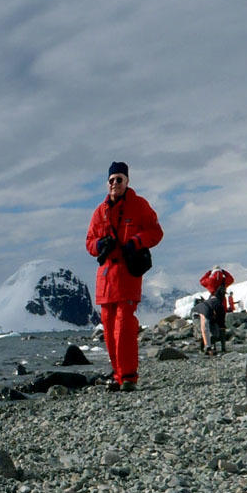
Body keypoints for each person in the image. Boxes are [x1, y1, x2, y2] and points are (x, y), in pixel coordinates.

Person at [85, 161, 163, 391]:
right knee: (108, 329)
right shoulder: (99, 212)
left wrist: (136, 242)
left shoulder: (139, 205)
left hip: (128, 274)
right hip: (106, 277)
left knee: (124, 325)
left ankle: (129, 376)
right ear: (107, 183)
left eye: (119, 179)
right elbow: (89, 242)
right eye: (111, 180)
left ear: (127, 181)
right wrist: (100, 244)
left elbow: (156, 232)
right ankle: (119, 375)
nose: (115, 183)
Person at [198, 264, 234, 354]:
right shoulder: (224, 279)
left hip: (212, 302)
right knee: (221, 324)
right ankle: (223, 347)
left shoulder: (210, 280)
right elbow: (231, 279)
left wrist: (208, 273)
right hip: (222, 302)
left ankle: (210, 344)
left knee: (211, 323)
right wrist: (225, 272)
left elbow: (202, 281)